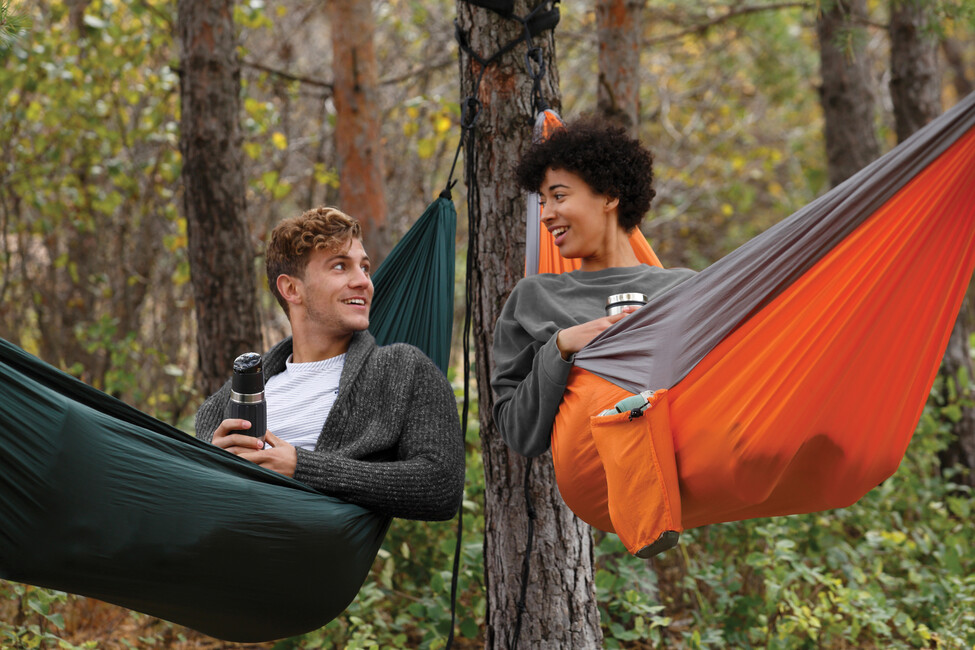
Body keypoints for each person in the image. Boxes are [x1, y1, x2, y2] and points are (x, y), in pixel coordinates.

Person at [196, 206, 465, 521]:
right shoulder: (225, 403)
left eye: (364, 267)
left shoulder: (399, 370)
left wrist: (302, 468)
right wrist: (209, 461)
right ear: (292, 289)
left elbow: (441, 485)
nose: (363, 281)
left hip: (307, 555)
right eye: (340, 266)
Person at [492, 118, 696, 458]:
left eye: (558, 196)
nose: (546, 214)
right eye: (543, 202)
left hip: (683, 472)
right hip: (594, 490)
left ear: (610, 195)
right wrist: (562, 346)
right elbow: (518, 433)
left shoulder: (684, 289)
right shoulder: (533, 298)